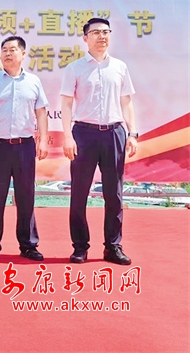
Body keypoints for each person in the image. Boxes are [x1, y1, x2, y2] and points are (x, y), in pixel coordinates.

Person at [60, 17, 138, 266]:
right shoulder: (75, 68)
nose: (102, 36)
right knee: (79, 193)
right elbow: (66, 104)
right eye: (96, 32)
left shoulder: (120, 67)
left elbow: (126, 102)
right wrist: (68, 136)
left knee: (114, 194)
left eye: (106, 32)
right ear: (85, 38)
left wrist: (132, 133)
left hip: (114, 133)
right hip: (84, 133)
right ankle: (80, 247)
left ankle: (113, 246)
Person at [0, 35, 49, 261]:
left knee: (26, 197)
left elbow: (41, 113)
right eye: (4, 50)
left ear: (23, 54)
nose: (8, 53)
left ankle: (28, 245)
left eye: (12, 49)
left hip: (24, 146)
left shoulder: (34, 82)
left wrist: (43, 140)